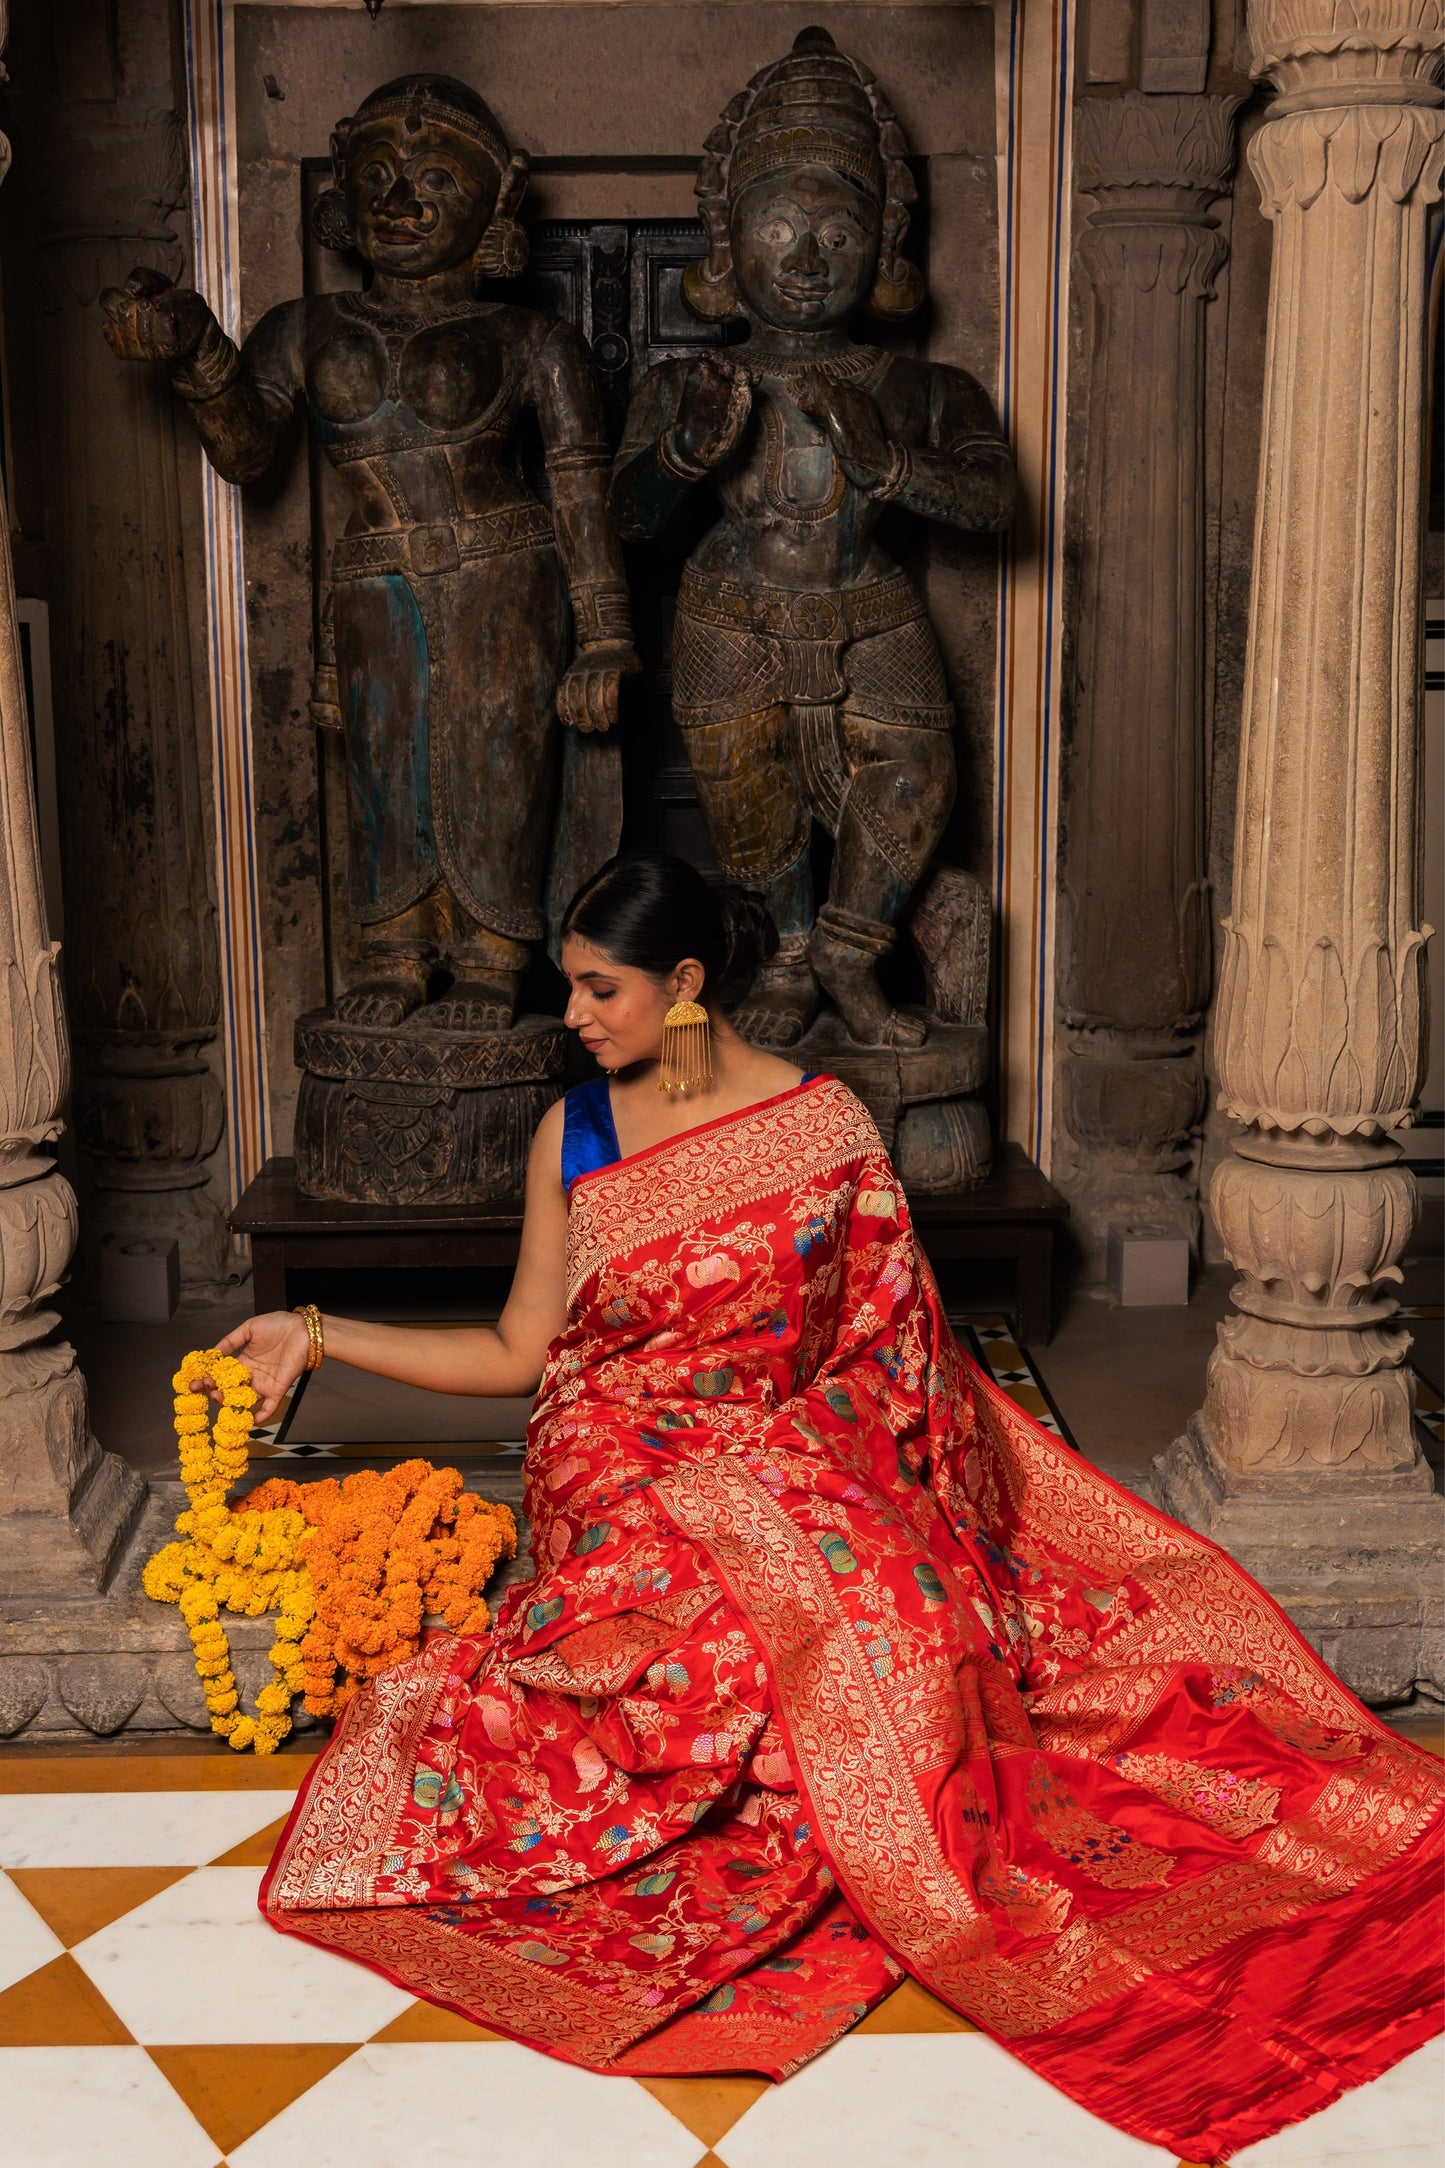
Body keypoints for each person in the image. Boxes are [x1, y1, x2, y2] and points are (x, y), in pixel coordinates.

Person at [234, 855, 1441, 2163]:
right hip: (615, 1465)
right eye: (568, 986)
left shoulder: (824, 1129)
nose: (573, 1015)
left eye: (600, 989)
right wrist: (316, 1330)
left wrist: (801, 1455)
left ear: (683, 985)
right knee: (704, 1638)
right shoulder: (573, 1132)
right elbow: (524, 1352)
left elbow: (889, 1354)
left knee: (894, 1602)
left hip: (798, 1448)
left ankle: (891, 1825)